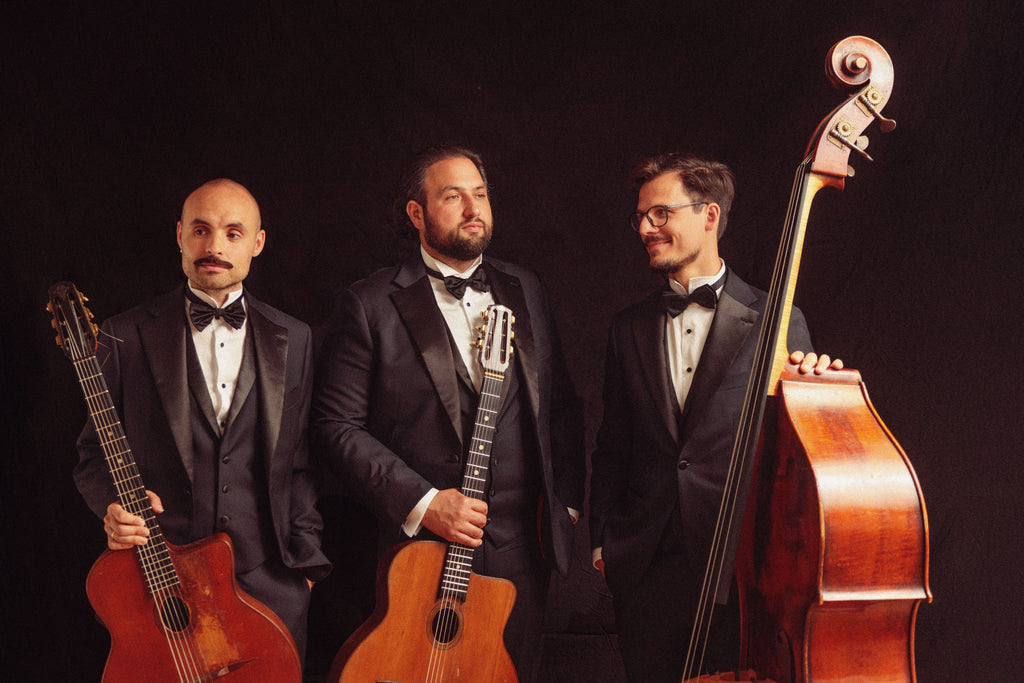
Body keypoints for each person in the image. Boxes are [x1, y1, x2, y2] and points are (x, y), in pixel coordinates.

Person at [311, 145, 585, 680]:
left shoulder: (526, 288)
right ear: (416, 213)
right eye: (453, 196)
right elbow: (335, 426)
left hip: (521, 552)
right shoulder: (369, 304)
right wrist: (425, 502)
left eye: (480, 194)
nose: (473, 208)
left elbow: (561, 407)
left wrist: (566, 506)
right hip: (413, 553)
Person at [588, 153, 840, 682]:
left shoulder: (779, 319)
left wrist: (823, 389)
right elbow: (613, 444)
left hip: (740, 566)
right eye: (640, 217)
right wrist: (602, 540)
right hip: (646, 566)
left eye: (661, 213)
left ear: (709, 215)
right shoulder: (627, 327)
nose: (646, 228)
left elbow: (799, 452)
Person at [74, 178, 331, 663]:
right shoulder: (123, 334)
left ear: (257, 243)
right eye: (200, 230)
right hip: (162, 582)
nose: (214, 246)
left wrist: (305, 568)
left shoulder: (295, 337)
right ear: (179, 235)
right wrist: (113, 507)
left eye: (233, 233)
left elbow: (299, 462)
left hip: (268, 581)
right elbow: (93, 453)